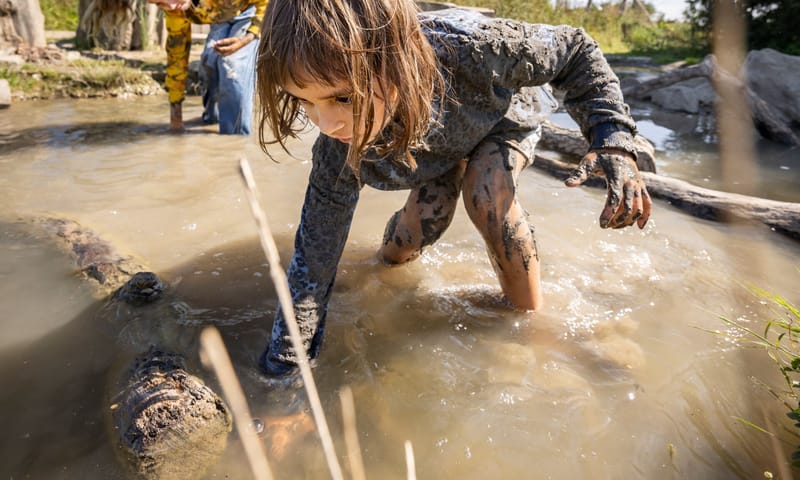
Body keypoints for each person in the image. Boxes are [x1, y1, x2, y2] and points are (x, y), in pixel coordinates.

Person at [254, 1, 652, 376]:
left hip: (499, 117)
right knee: (417, 229)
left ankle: (529, 321)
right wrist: (284, 372)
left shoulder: (477, 47)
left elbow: (576, 50)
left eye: (342, 98)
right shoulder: (338, 149)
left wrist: (613, 140)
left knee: (487, 193)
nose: (326, 125)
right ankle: (386, 263)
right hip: (429, 133)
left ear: (396, 61)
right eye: (304, 101)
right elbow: (313, 263)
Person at [147, 0, 267, 134]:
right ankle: (211, 119)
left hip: (250, 12)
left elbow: (267, 3)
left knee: (231, 67)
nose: (172, 7)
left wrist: (248, 37)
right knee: (209, 63)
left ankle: (234, 140)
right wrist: (176, 117)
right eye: (160, 4)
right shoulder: (174, 8)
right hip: (219, 18)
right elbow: (177, 55)